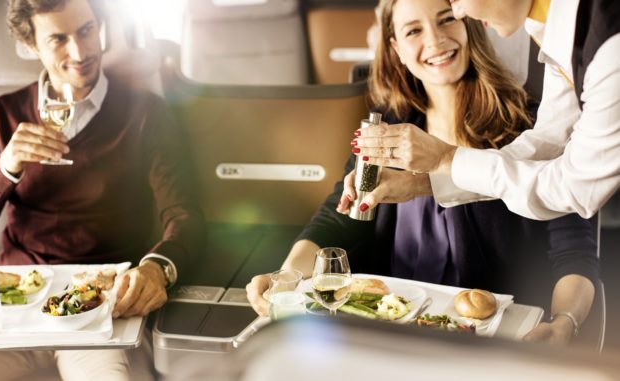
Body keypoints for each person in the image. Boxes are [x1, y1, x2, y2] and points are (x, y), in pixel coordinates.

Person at [247, 0, 599, 345]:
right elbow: (340, 218)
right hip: (392, 333)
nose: (434, 40)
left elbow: (574, 252)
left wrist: (563, 323)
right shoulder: (388, 127)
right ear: (396, 48)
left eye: (446, 19)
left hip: (487, 341)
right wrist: (286, 276)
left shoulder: (530, 127)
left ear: (468, 23)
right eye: (414, 30)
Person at [0, 0, 204, 379]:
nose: (80, 53)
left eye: (86, 31)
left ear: (100, 26)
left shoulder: (145, 112)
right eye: (58, 39)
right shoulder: (3, 115)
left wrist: (156, 269)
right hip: (14, 313)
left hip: (96, 314)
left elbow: (184, 216)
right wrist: (6, 166)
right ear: (32, 46)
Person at [350, 0, 620, 221]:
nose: (459, 13)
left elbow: (574, 188)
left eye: (455, 2)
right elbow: (547, 143)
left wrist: (447, 159)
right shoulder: (558, 28)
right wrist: (426, 183)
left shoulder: (611, 51)